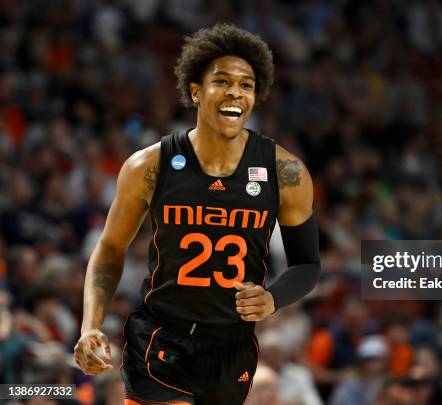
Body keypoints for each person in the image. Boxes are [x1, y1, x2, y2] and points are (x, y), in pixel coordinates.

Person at [73, 23, 321, 405]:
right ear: (195, 91)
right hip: (161, 336)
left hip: (232, 345)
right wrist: (91, 324)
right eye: (222, 81)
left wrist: (272, 298)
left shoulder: (286, 172)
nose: (235, 92)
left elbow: (307, 265)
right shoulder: (149, 165)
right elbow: (109, 249)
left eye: (247, 85)